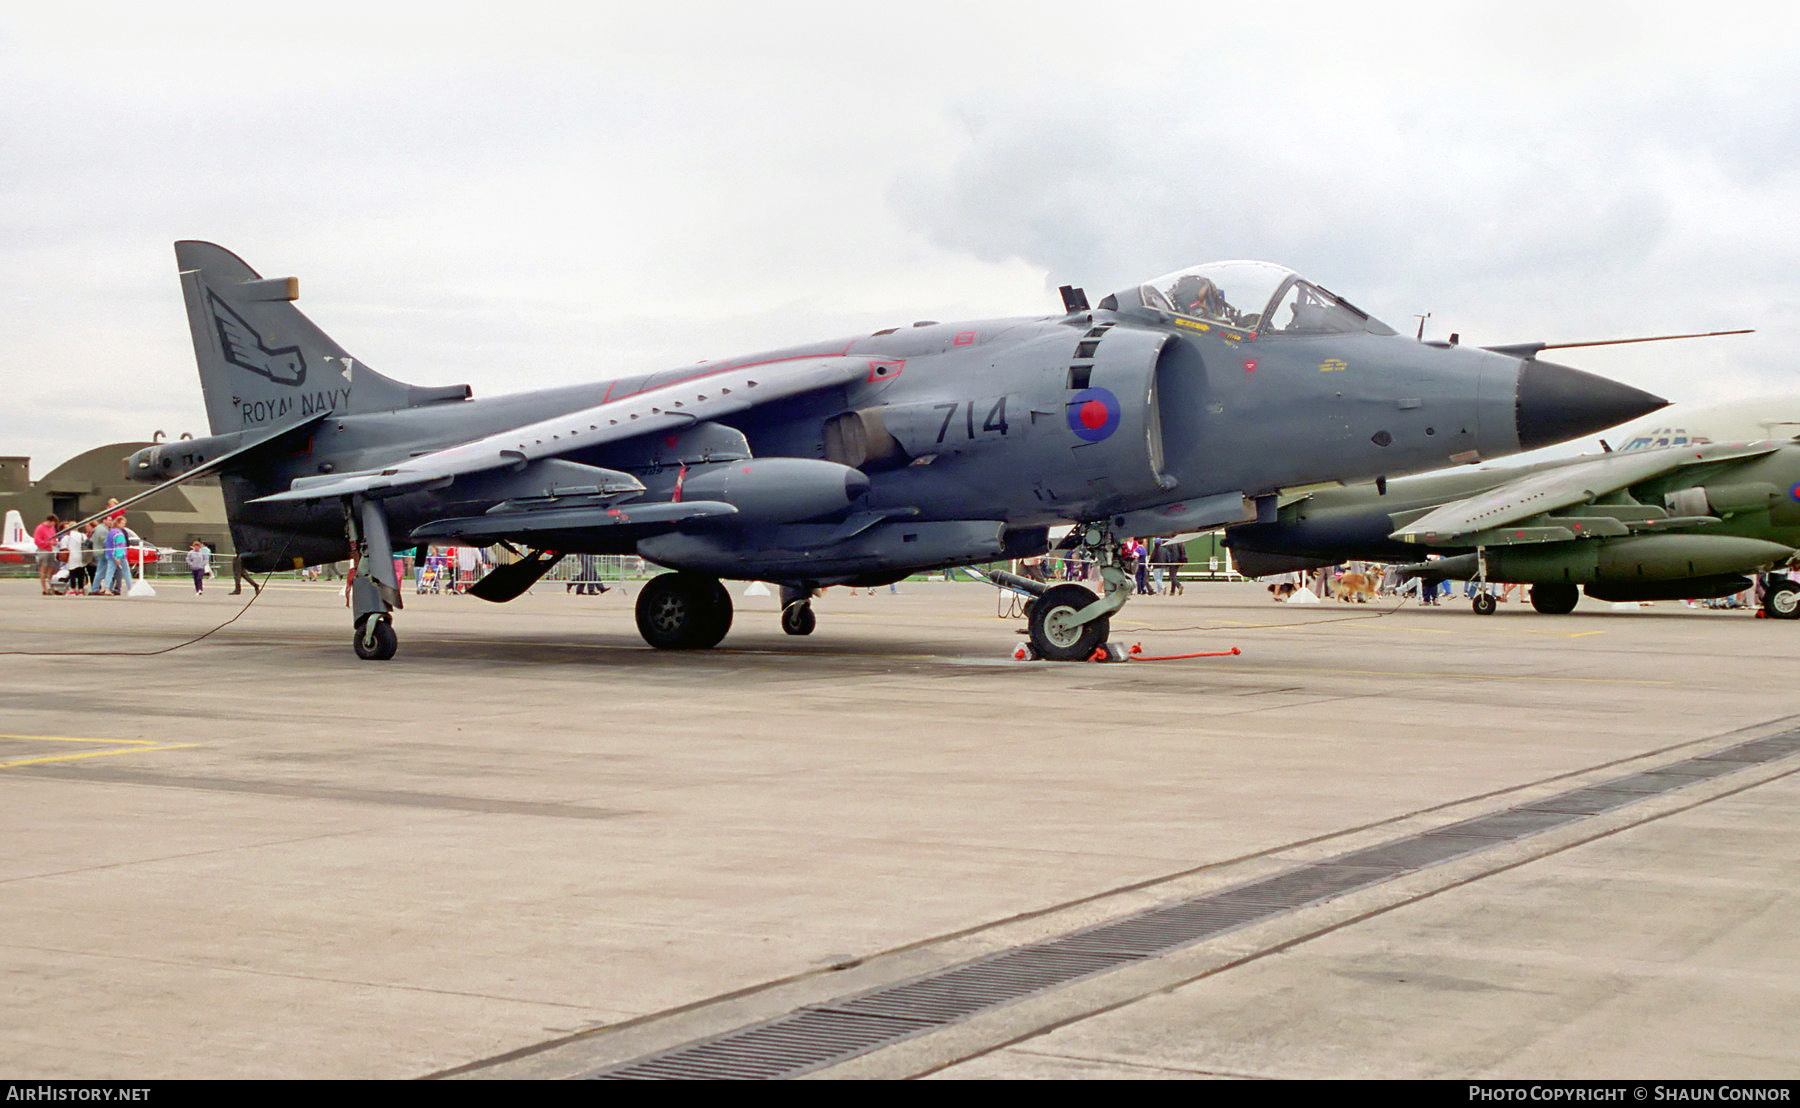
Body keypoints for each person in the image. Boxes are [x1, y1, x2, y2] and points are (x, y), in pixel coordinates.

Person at [33, 515, 59, 595]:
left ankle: (52, 586)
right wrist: (47, 543)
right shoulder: (40, 528)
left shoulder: (52, 528)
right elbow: (37, 541)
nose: (53, 526)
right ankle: (44, 588)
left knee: (51, 569)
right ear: (49, 521)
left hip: (51, 550)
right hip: (43, 550)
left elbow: (54, 537)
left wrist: (55, 543)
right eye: (53, 524)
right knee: (43, 570)